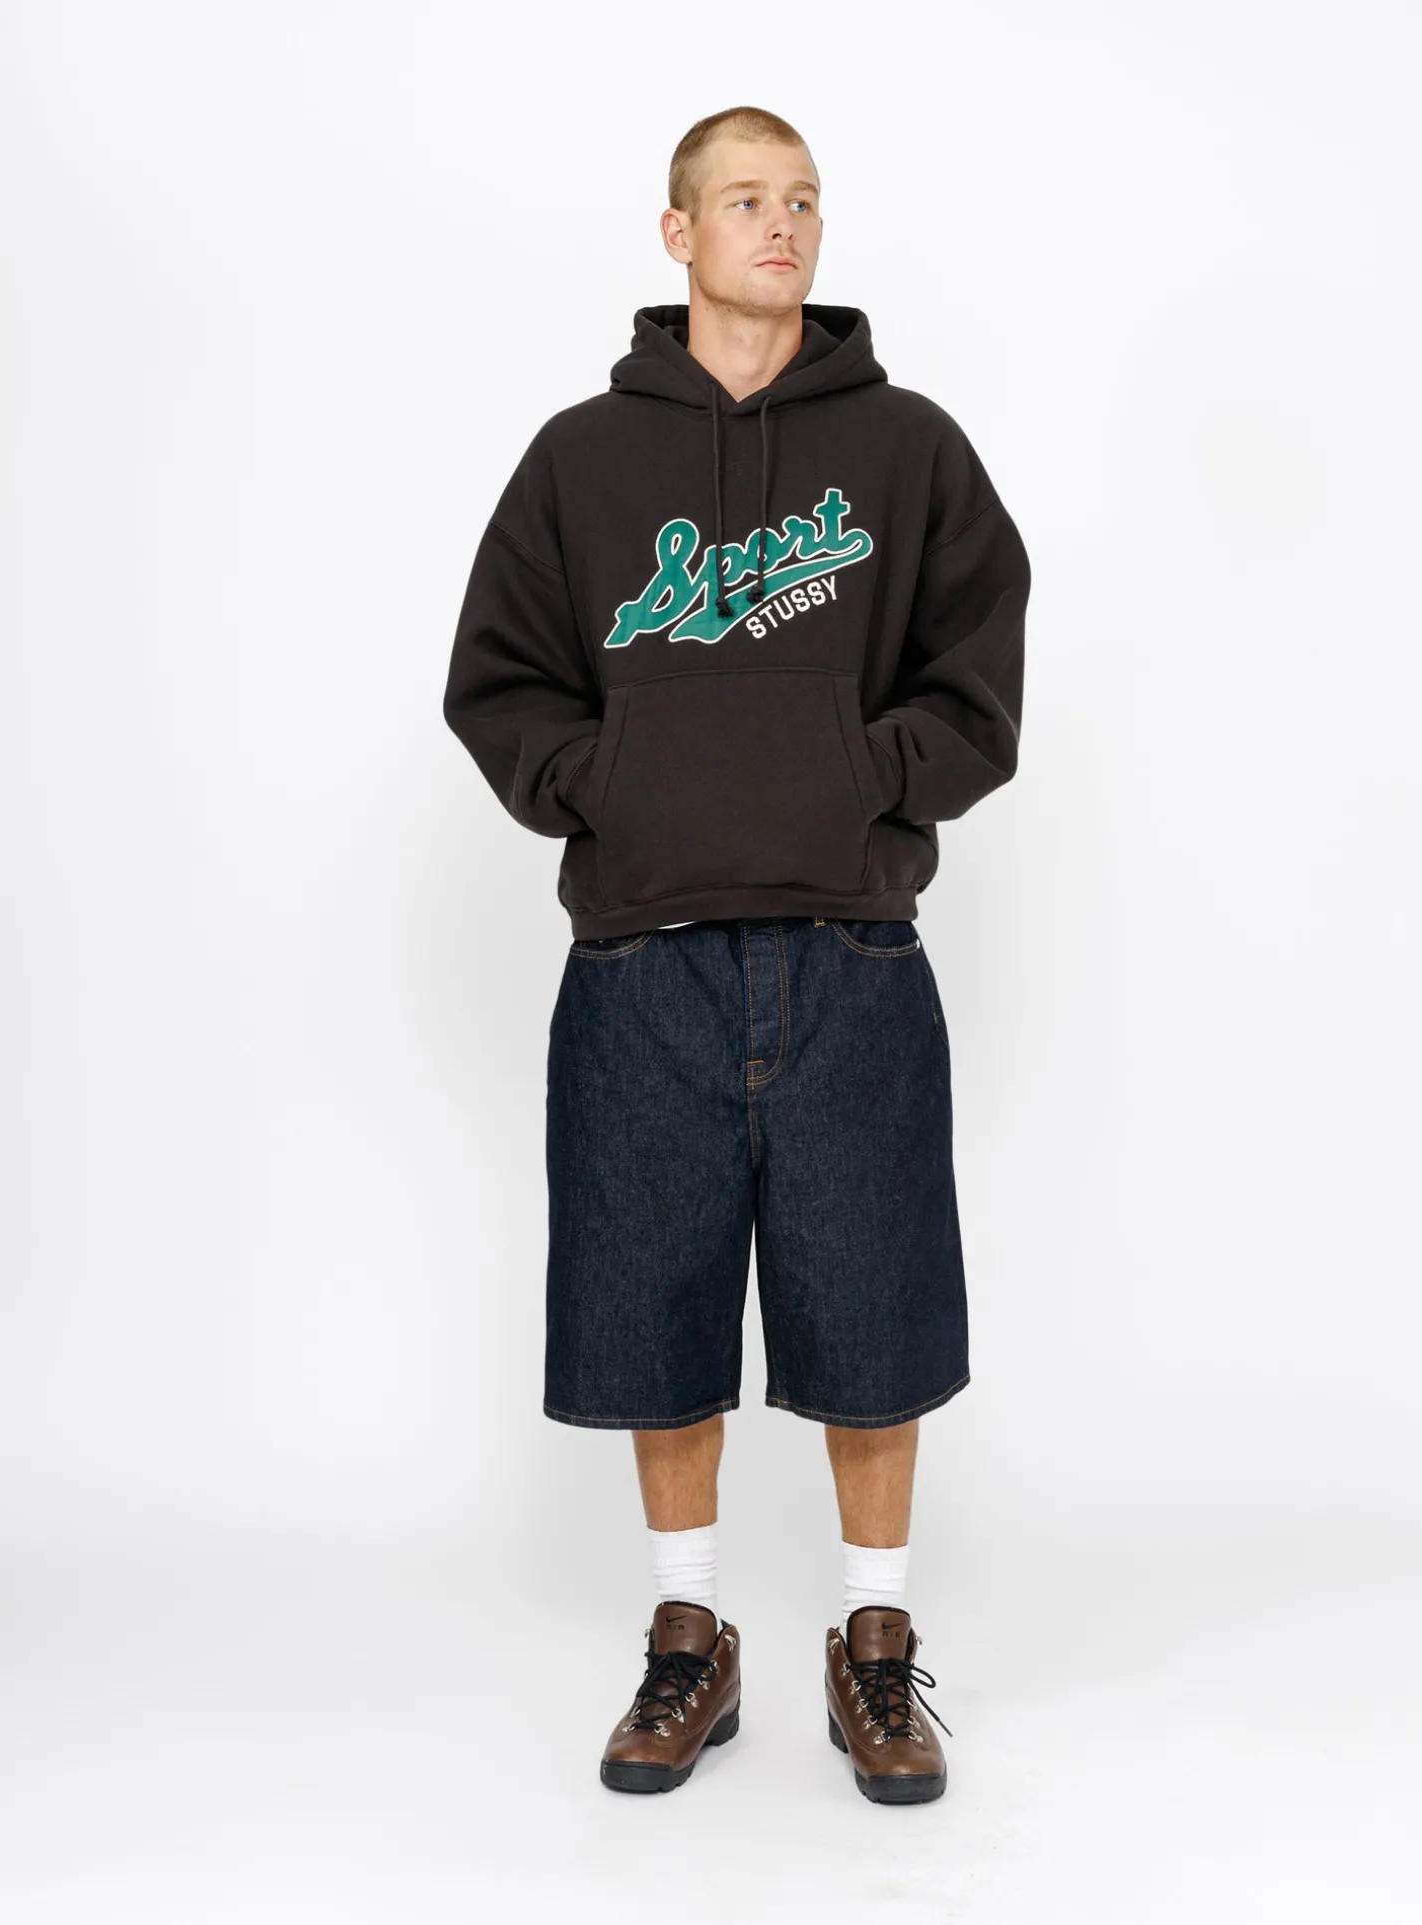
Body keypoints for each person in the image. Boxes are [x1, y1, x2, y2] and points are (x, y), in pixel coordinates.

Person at [442, 104, 1029, 1805]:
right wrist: (612, 790)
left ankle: (876, 1643)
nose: (783, 225)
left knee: (875, 1312)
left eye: (805, 200)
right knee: (654, 1312)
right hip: (647, 962)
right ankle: (690, 1636)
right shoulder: (580, 460)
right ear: (678, 233)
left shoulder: (909, 448)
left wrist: (860, 779)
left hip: (853, 954)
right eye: (748, 199)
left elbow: (978, 682)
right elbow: (501, 682)